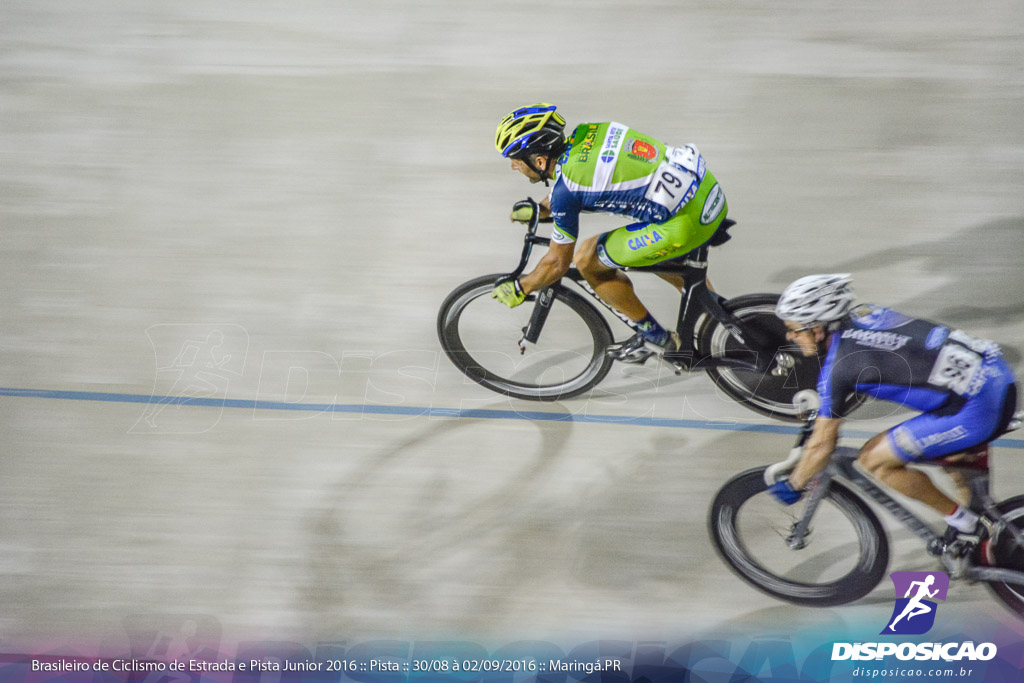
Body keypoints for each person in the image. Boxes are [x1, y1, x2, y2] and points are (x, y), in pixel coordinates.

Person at [768, 273, 1019, 548]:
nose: (790, 336)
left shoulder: (840, 369)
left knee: (874, 459)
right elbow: (895, 365)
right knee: (953, 465)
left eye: (795, 329)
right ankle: (982, 528)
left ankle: (967, 524)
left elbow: (821, 447)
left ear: (817, 329)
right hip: (997, 376)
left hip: (977, 408)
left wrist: (794, 484)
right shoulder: (867, 313)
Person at [490, 103, 731, 363]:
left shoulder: (565, 192)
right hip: (706, 192)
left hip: (686, 222)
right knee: (651, 255)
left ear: (538, 161)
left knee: (587, 259)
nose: (514, 166)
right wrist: (543, 209)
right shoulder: (590, 132)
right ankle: (728, 322)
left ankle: (656, 338)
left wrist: (522, 286)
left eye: (516, 160)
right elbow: (591, 177)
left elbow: (557, 263)